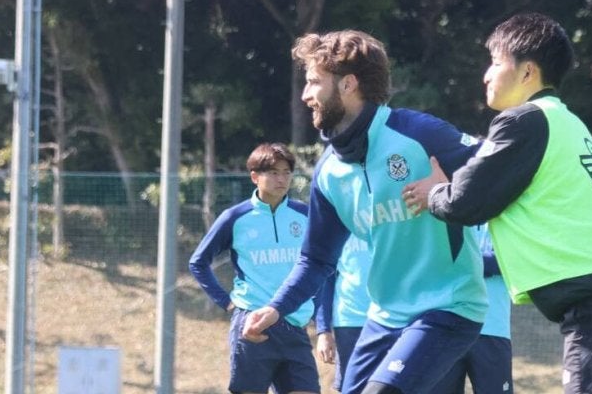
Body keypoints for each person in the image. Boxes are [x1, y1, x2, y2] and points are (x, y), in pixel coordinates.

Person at [402, 13, 592, 393]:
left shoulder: (524, 121)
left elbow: (465, 203)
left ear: (527, 72)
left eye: (495, 63)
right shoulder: (566, 121)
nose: (486, 75)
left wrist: (434, 192)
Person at [242, 30, 488, 394]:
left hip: (448, 307)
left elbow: (497, 166)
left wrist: (451, 190)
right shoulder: (329, 173)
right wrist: (275, 308)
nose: (305, 95)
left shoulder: (418, 134)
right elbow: (316, 260)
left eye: (314, 82)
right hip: (385, 315)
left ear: (348, 84)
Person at [188, 143, 319, 394]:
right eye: (273, 172)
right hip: (252, 323)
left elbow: (321, 265)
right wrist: (227, 302)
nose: (281, 179)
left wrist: (317, 310)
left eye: (286, 172)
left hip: (294, 324)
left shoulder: (305, 215)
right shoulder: (235, 217)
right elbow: (198, 262)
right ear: (254, 177)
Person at [431, 224, 513, 394]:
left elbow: (511, 260)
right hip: (447, 327)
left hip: (493, 329)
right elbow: (435, 260)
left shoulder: (506, 219)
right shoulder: (443, 216)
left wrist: (462, 263)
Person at [313, 236, 371, 392]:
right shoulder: (338, 225)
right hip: (349, 321)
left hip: (394, 319)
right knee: (352, 387)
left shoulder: (394, 223)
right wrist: (323, 330)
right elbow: (325, 281)